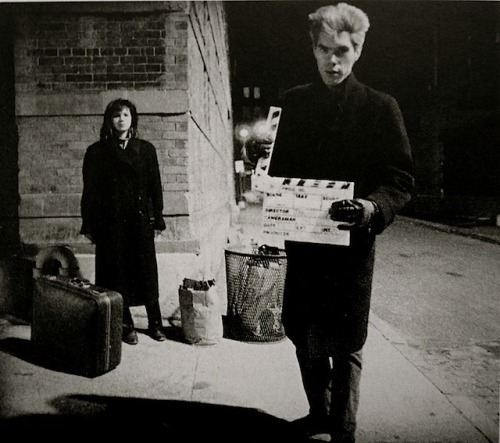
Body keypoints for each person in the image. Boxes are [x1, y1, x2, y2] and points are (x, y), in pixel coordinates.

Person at [244, 3, 414, 442]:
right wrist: (256, 156)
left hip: (350, 251)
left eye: (342, 51)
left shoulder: (381, 108)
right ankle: (317, 412)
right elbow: (272, 165)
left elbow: (399, 179)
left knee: (346, 340)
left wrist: (372, 208)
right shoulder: (293, 103)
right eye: (324, 50)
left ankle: (343, 428)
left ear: (357, 51)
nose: (332, 61)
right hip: (303, 244)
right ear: (314, 49)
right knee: (304, 333)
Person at [80, 98, 167, 345]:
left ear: (132, 120)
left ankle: (156, 323)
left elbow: (155, 187)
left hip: (139, 221)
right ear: (109, 120)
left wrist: (157, 218)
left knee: (146, 272)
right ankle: (126, 324)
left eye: (126, 115)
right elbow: (90, 191)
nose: (121, 119)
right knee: (117, 273)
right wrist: (89, 224)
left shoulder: (146, 149)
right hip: (111, 223)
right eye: (116, 115)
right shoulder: (96, 152)